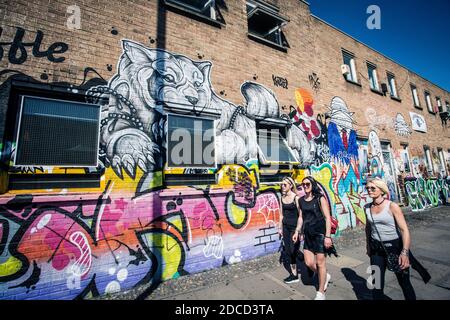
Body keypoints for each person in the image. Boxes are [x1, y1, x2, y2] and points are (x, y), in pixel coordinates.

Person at [364, 177, 430, 300]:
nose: (369, 190)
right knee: (377, 284)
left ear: (381, 190)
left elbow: (404, 230)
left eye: (373, 188)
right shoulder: (367, 207)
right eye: (367, 188)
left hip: (395, 247)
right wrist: (368, 246)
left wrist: (404, 253)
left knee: (404, 283)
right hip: (376, 250)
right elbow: (368, 228)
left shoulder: (392, 206)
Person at [294, 176, 333, 300]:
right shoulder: (301, 200)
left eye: (307, 184)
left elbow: (327, 218)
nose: (305, 186)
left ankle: (320, 292)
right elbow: (301, 217)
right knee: (309, 262)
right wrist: (297, 231)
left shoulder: (319, 198)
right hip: (308, 235)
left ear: (312, 185)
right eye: (303, 184)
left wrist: (328, 236)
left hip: (320, 235)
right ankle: (325, 276)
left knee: (320, 263)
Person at [278, 177, 302, 284]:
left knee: (293, 250)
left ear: (291, 186)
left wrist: (298, 230)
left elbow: (301, 215)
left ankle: (305, 259)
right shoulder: (282, 198)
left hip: (294, 228)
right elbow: (281, 215)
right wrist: (279, 228)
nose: (282, 186)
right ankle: (294, 275)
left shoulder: (296, 198)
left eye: (285, 185)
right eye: (282, 185)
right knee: (288, 251)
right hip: (286, 228)